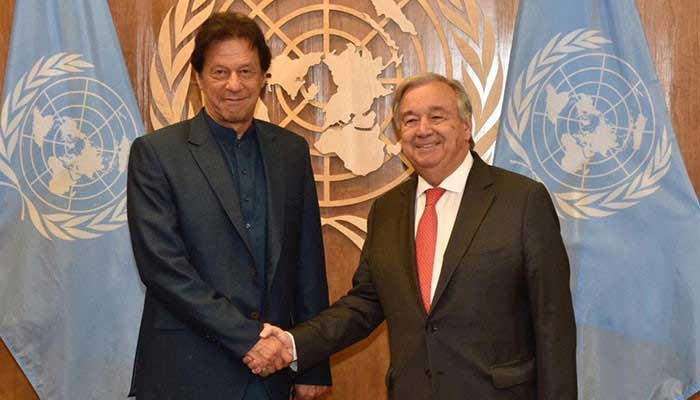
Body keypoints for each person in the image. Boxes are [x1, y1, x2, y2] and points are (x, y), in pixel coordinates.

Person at [246, 73, 577, 399]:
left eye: (437, 116)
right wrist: (292, 344)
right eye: (410, 120)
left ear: (466, 126)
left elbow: (553, 324)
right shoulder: (387, 211)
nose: (423, 130)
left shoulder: (522, 201)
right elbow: (364, 305)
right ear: (399, 133)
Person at [126, 12, 331, 400]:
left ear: (263, 79)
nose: (234, 85)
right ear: (198, 78)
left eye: (246, 71)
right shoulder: (156, 154)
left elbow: (307, 263)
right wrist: (250, 340)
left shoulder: (290, 152)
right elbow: (163, 268)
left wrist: (312, 361)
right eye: (220, 72)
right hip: (187, 370)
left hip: (271, 375)